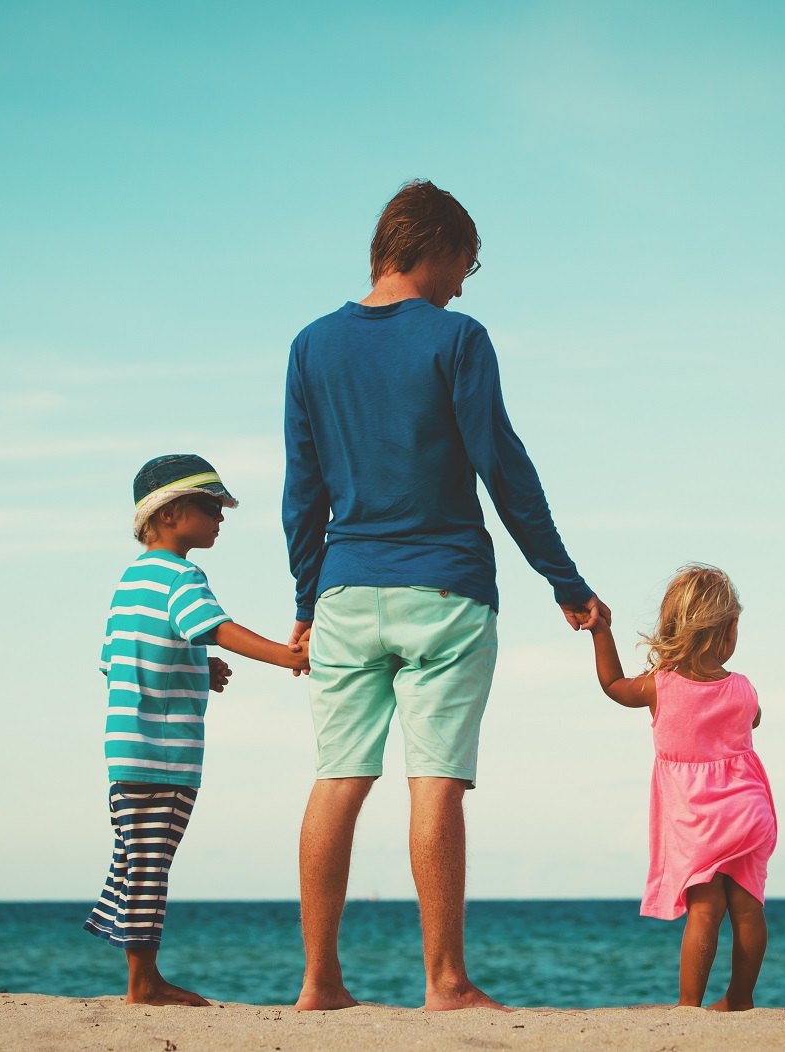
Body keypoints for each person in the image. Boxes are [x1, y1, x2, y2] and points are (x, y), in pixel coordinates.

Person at [282, 180, 608, 1011]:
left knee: (336, 779)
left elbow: (303, 488)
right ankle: (445, 982)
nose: (464, 283)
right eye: (466, 262)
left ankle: (320, 983)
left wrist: (306, 598)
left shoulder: (311, 345)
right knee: (436, 782)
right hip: (447, 589)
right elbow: (503, 466)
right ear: (434, 246)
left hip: (346, 587)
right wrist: (565, 582)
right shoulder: (458, 338)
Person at [85, 454, 309, 1005]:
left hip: (127, 747)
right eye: (211, 507)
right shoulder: (183, 574)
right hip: (163, 752)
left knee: (137, 856)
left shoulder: (130, 579)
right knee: (150, 863)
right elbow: (216, 627)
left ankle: (139, 970)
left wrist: (194, 664)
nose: (221, 518)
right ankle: (144, 983)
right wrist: (284, 656)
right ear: (170, 514)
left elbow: (120, 658)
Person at [585, 563, 776, 1010]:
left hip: (698, 820)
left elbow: (613, 684)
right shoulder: (743, 688)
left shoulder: (660, 687)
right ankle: (740, 999)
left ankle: (689, 1006)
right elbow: (755, 718)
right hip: (749, 812)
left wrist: (601, 633)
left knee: (706, 908)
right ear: (729, 630)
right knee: (748, 907)